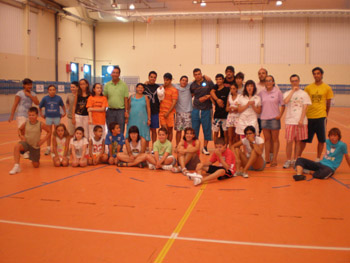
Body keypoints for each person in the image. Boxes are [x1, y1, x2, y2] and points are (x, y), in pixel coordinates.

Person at [300, 67, 334, 161]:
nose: (316, 75)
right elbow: (304, 102)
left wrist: (325, 115)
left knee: (321, 140)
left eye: (318, 73)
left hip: (321, 117)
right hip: (309, 117)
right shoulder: (308, 88)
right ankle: (298, 157)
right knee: (304, 139)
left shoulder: (327, 88)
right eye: (314, 74)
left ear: (322, 74)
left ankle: (318, 158)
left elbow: (328, 103)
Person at [9, 107, 50, 174]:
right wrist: (21, 136)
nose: (31, 117)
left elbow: (49, 132)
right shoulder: (26, 123)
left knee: (36, 165)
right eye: (30, 115)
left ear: (37, 115)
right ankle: (16, 166)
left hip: (35, 146)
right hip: (26, 144)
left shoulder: (40, 124)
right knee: (17, 146)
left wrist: (42, 140)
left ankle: (33, 157)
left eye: (33, 115)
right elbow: (19, 129)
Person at [282, 74, 311, 168]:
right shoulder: (287, 93)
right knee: (289, 141)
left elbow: (305, 107)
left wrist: (301, 119)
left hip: (301, 122)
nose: (294, 82)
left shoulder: (304, 94)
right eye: (292, 81)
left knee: (298, 142)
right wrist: (293, 91)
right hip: (290, 121)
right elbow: (285, 102)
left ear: (299, 81)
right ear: (290, 82)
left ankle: (295, 160)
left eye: (296, 80)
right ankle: (288, 160)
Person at [8, 78, 39, 159]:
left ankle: (26, 149)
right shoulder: (19, 93)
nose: (30, 86)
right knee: (22, 132)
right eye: (28, 84)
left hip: (30, 115)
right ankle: (24, 150)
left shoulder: (33, 93)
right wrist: (12, 115)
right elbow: (15, 104)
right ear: (24, 85)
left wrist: (30, 96)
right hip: (21, 114)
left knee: (28, 133)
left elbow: (37, 102)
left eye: (31, 84)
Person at [259, 75, 285, 167]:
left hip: (275, 119)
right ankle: (267, 158)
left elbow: (283, 105)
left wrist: (280, 115)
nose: (268, 82)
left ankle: (274, 159)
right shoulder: (261, 93)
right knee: (267, 139)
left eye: (270, 80)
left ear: (273, 82)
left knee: (275, 140)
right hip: (264, 118)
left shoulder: (278, 92)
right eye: (266, 81)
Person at [190, 68, 214, 155]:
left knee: (206, 129)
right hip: (196, 110)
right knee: (194, 130)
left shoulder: (208, 82)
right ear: (193, 76)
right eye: (195, 74)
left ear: (201, 74)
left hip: (207, 110)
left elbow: (213, 91)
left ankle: (205, 147)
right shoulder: (192, 85)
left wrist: (207, 97)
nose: (197, 76)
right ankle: (195, 148)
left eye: (199, 74)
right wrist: (199, 100)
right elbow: (192, 96)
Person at [39, 84, 66, 155]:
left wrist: (64, 112)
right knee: (49, 133)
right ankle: (48, 148)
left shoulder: (58, 98)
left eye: (53, 89)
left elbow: (63, 105)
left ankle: (57, 147)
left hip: (57, 117)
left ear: (55, 90)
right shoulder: (45, 98)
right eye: (50, 90)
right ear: (48, 91)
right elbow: (40, 106)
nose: (52, 91)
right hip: (48, 117)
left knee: (57, 132)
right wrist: (41, 114)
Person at [103, 66, 129, 136]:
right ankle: (111, 146)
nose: (115, 74)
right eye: (113, 72)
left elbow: (126, 99)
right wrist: (104, 109)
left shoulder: (124, 85)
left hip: (120, 111)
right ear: (111, 74)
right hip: (110, 111)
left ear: (119, 74)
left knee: (120, 130)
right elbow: (104, 98)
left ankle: (119, 146)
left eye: (117, 73)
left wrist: (126, 111)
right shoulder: (107, 85)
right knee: (110, 130)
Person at [158, 73, 178, 143]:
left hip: (170, 113)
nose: (166, 81)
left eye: (167, 80)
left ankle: (168, 146)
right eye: (164, 80)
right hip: (162, 113)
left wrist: (168, 112)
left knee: (169, 131)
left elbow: (174, 102)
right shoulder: (161, 89)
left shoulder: (174, 90)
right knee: (164, 130)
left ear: (170, 80)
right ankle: (163, 145)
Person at [210, 73, 230, 144]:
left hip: (225, 115)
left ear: (223, 80)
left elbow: (229, 100)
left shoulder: (227, 90)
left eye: (220, 79)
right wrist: (216, 101)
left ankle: (226, 147)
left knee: (225, 133)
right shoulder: (215, 91)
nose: (218, 80)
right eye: (217, 79)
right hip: (217, 115)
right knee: (215, 133)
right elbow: (212, 99)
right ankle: (216, 147)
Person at [174, 76, 193, 148]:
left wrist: (205, 76)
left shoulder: (189, 86)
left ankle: (187, 145)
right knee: (178, 131)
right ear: (180, 81)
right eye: (183, 80)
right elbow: (166, 84)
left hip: (188, 113)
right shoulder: (175, 86)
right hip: (179, 112)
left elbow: (196, 79)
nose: (184, 82)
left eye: (186, 81)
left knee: (187, 132)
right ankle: (177, 145)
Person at [143, 71, 160, 148]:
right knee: (146, 131)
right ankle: (146, 147)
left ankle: (154, 147)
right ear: (148, 77)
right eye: (151, 77)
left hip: (155, 112)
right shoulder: (144, 87)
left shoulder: (158, 88)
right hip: (145, 112)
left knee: (154, 130)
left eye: (154, 77)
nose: (153, 78)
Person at [226, 83, 240, 149]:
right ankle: (230, 151)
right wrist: (229, 109)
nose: (232, 90)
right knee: (230, 137)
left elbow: (241, 107)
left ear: (236, 89)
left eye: (234, 88)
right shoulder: (229, 97)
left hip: (238, 117)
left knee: (237, 137)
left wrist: (236, 109)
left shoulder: (240, 97)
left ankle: (237, 151)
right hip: (230, 117)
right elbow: (226, 108)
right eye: (231, 89)